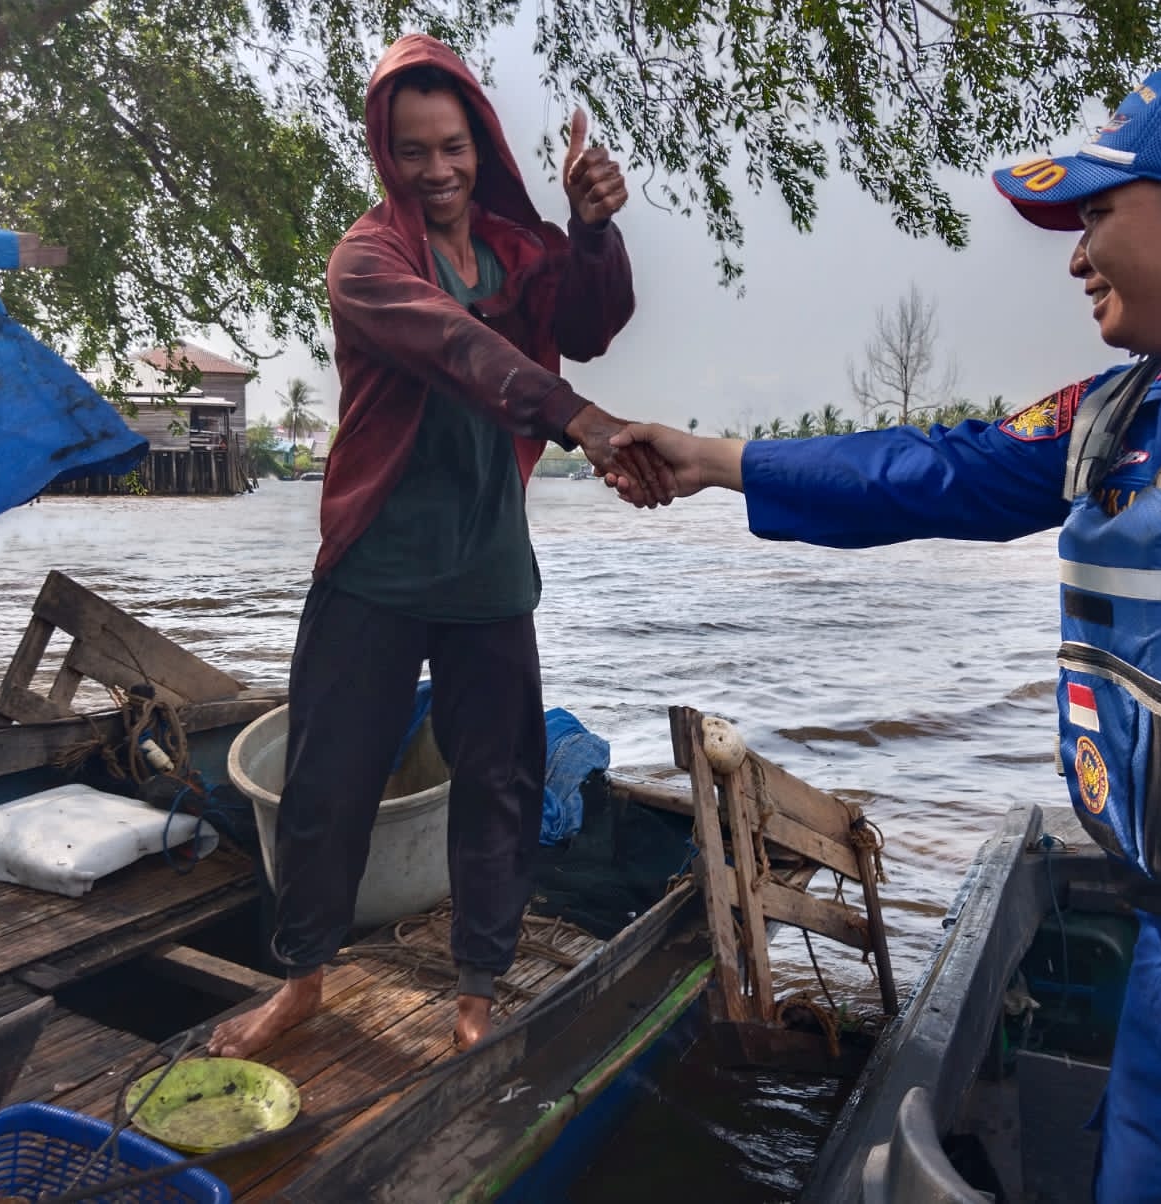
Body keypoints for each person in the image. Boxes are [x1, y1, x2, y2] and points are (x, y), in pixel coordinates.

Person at [606, 63, 1161, 1203]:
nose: (1072, 252)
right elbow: (930, 467)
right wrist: (716, 461)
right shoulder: (1116, 419)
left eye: (1098, 212)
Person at [210, 33, 669, 1059]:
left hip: (486, 563)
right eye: (412, 149)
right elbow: (457, 348)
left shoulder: (520, 251)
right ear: (385, 152)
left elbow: (592, 320)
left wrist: (593, 231)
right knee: (329, 779)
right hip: (374, 560)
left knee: (501, 777)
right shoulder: (366, 260)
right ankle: (302, 981)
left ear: (480, 141)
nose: (437, 169)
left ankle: (474, 988)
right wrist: (580, 422)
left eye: (452, 144)